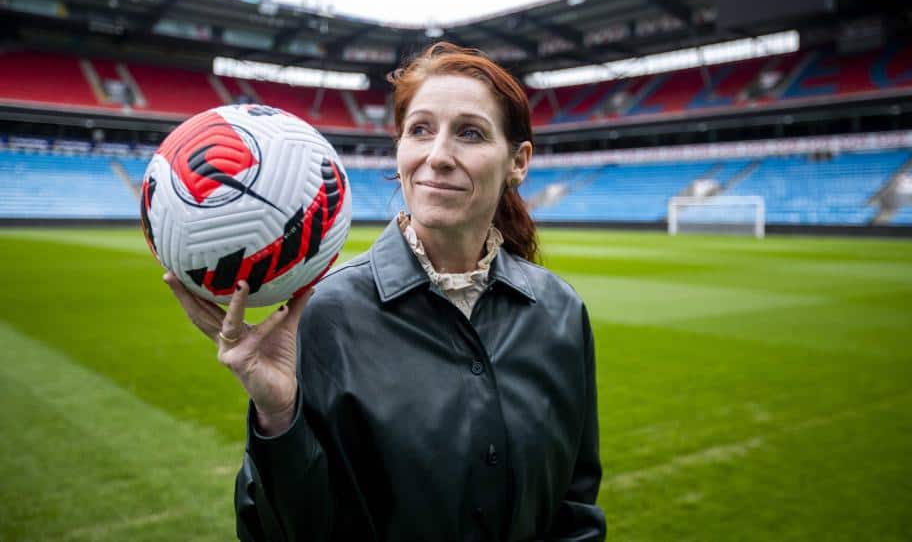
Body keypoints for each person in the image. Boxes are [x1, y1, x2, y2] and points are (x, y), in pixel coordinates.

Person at [164, 42, 606, 541]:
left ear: (518, 162)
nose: (438, 156)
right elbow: (277, 532)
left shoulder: (560, 311)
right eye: (420, 130)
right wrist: (279, 415)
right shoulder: (324, 314)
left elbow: (575, 507)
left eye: (470, 133)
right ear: (399, 150)